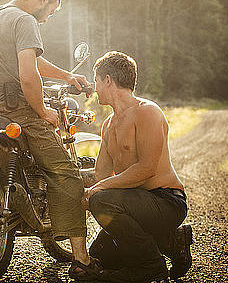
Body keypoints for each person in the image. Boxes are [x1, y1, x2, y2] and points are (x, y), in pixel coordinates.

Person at [0, 0, 103, 280]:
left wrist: (67, 76)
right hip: (16, 112)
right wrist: (43, 111)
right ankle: (81, 259)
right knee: (65, 172)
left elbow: (28, 61)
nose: (48, 18)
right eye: (51, 10)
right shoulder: (25, 20)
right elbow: (28, 76)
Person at [82, 51, 193, 283]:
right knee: (100, 257)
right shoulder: (108, 125)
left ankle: (150, 266)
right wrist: (67, 179)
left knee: (102, 201)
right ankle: (172, 242)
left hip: (165, 202)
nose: (95, 88)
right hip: (135, 203)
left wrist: (99, 189)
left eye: (96, 81)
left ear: (108, 80)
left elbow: (146, 169)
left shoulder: (147, 112)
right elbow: (100, 174)